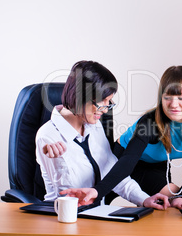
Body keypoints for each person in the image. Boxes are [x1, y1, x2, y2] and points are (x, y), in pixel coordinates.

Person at [56, 65, 182, 210]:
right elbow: (128, 161)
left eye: (181, 98)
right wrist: (97, 191)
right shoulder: (150, 122)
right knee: (98, 204)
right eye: (167, 97)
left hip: (158, 165)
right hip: (124, 158)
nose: (173, 104)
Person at [36, 60, 168, 209]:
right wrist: (59, 159)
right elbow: (69, 196)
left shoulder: (94, 126)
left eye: (109, 102)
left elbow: (112, 172)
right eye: (101, 102)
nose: (105, 110)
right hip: (63, 216)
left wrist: (145, 200)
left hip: (97, 214)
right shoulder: (48, 136)